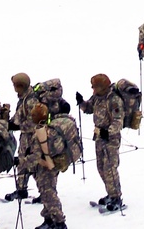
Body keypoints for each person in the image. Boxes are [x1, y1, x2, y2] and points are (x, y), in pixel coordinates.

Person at [75, 74, 123, 213]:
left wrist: (107, 132)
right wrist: (82, 103)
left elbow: (118, 121)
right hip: (99, 138)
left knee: (110, 168)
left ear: (102, 87)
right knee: (101, 167)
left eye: (95, 87)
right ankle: (110, 193)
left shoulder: (114, 100)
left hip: (110, 139)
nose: (93, 90)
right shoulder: (97, 97)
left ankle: (116, 197)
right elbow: (89, 109)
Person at [17, 103, 65, 229]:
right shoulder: (49, 128)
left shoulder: (40, 133)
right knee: (47, 193)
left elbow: (36, 157)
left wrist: (21, 161)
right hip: (51, 166)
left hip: (45, 169)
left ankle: (59, 222)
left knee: (48, 194)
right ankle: (49, 219)